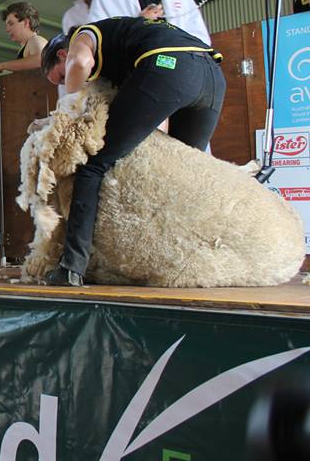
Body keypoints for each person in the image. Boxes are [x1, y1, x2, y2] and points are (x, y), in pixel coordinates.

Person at [39, 17, 226, 286]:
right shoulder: (119, 43)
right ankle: (186, 266)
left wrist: (71, 108)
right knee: (183, 178)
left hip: (170, 66)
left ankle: (72, 268)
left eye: (58, 75)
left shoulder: (83, 35)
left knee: (92, 165)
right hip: (213, 78)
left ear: (61, 54)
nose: (62, 80)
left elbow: (80, 63)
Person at [0, 2, 49, 77]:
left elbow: (40, 59)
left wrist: (3, 65)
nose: (7, 29)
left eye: (11, 24)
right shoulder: (26, 48)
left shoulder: (36, 40)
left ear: (26, 22)